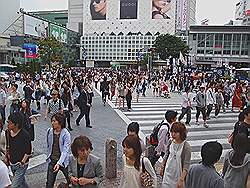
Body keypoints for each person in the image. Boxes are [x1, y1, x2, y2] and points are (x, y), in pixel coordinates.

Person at [161, 122, 191, 188]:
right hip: (168, 170)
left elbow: (186, 165)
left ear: (181, 133)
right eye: (172, 132)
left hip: (178, 173)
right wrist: (162, 166)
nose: (173, 134)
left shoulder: (186, 146)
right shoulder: (170, 141)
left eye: (176, 132)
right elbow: (166, 154)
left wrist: (181, 179)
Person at [6, 112, 32, 188]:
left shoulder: (25, 134)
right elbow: (8, 146)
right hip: (12, 163)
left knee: (14, 185)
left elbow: (28, 150)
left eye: (10, 123)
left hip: (21, 165)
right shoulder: (7, 132)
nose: (8, 124)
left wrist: (22, 162)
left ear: (16, 124)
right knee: (22, 183)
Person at [46, 113, 71, 188]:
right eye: (52, 121)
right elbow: (48, 145)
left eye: (54, 121)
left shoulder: (66, 134)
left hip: (63, 162)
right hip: (52, 160)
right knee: (49, 183)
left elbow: (65, 151)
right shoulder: (49, 131)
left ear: (60, 122)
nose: (52, 123)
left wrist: (59, 163)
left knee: (71, 180)